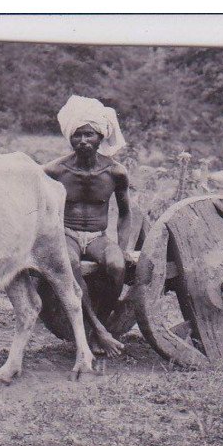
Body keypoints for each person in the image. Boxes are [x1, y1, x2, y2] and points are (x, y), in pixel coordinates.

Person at [43, 95, 131, 358]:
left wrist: (122, 247)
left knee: (117, 267)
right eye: (77, 135)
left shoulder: (115, 172)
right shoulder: (55, 170)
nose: (82, 141)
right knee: (70, 265)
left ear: (101, 137)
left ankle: (98, 323)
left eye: (89, 135)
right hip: (66, 233)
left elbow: (126, 214)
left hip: (98, 237)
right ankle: (100, 331)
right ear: (69, 137)